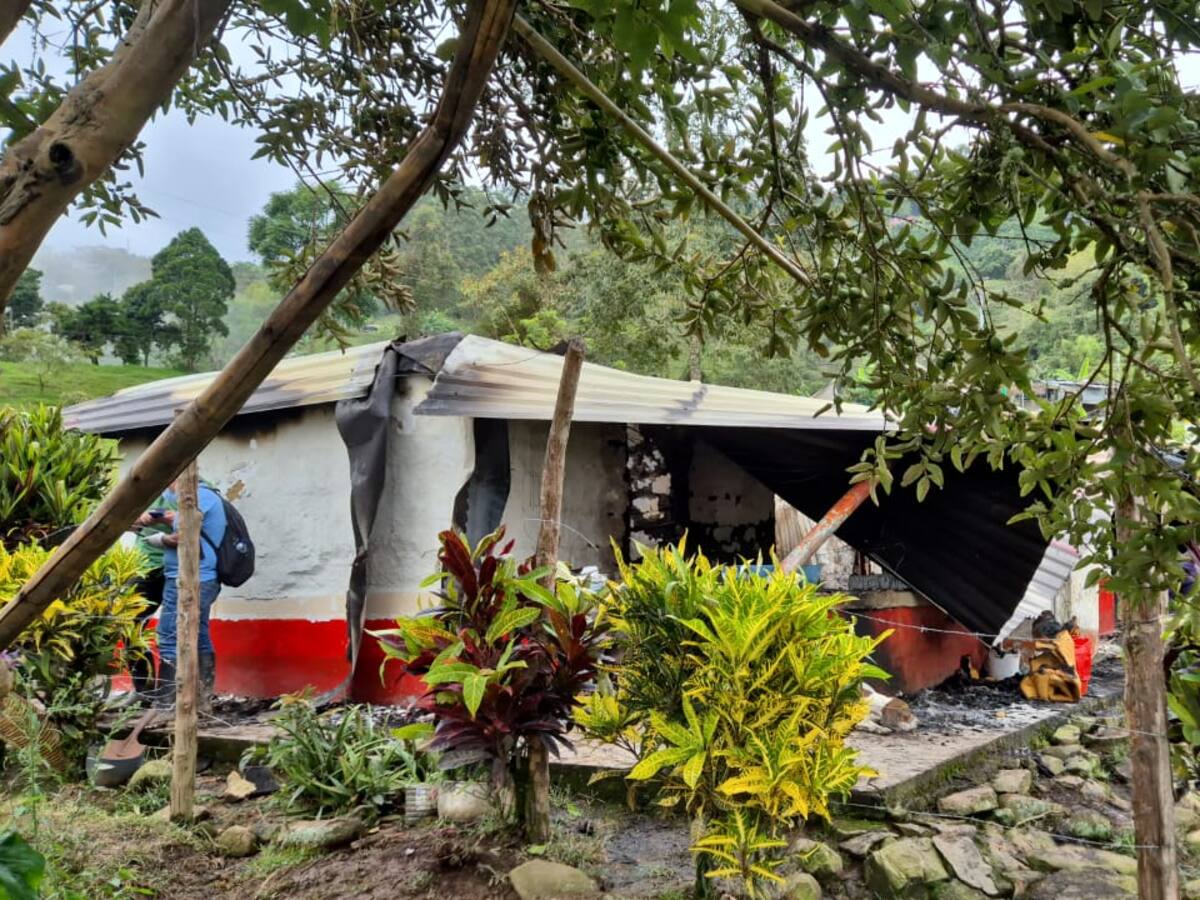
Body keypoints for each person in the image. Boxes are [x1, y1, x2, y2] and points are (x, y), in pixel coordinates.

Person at [136, 475, 226, 713]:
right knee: (199, 633)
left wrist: (163, 534)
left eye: (170, 479)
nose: (168, 486)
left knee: (168, 634)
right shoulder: (195, 497)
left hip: (193, 577)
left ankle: (166, 704)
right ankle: (201, 699)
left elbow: (185, 531)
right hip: (189, 576)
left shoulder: (201, 496)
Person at [130, 491, 175, 697]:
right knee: (129, 624)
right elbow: (125, 523)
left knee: (171, 628)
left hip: (174, 566)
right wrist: (141, 519)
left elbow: (202, 521)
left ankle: (171, 693)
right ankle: (144, 690)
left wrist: (169, 518)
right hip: (143, 566)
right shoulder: (148, 487)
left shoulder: (197, 486)